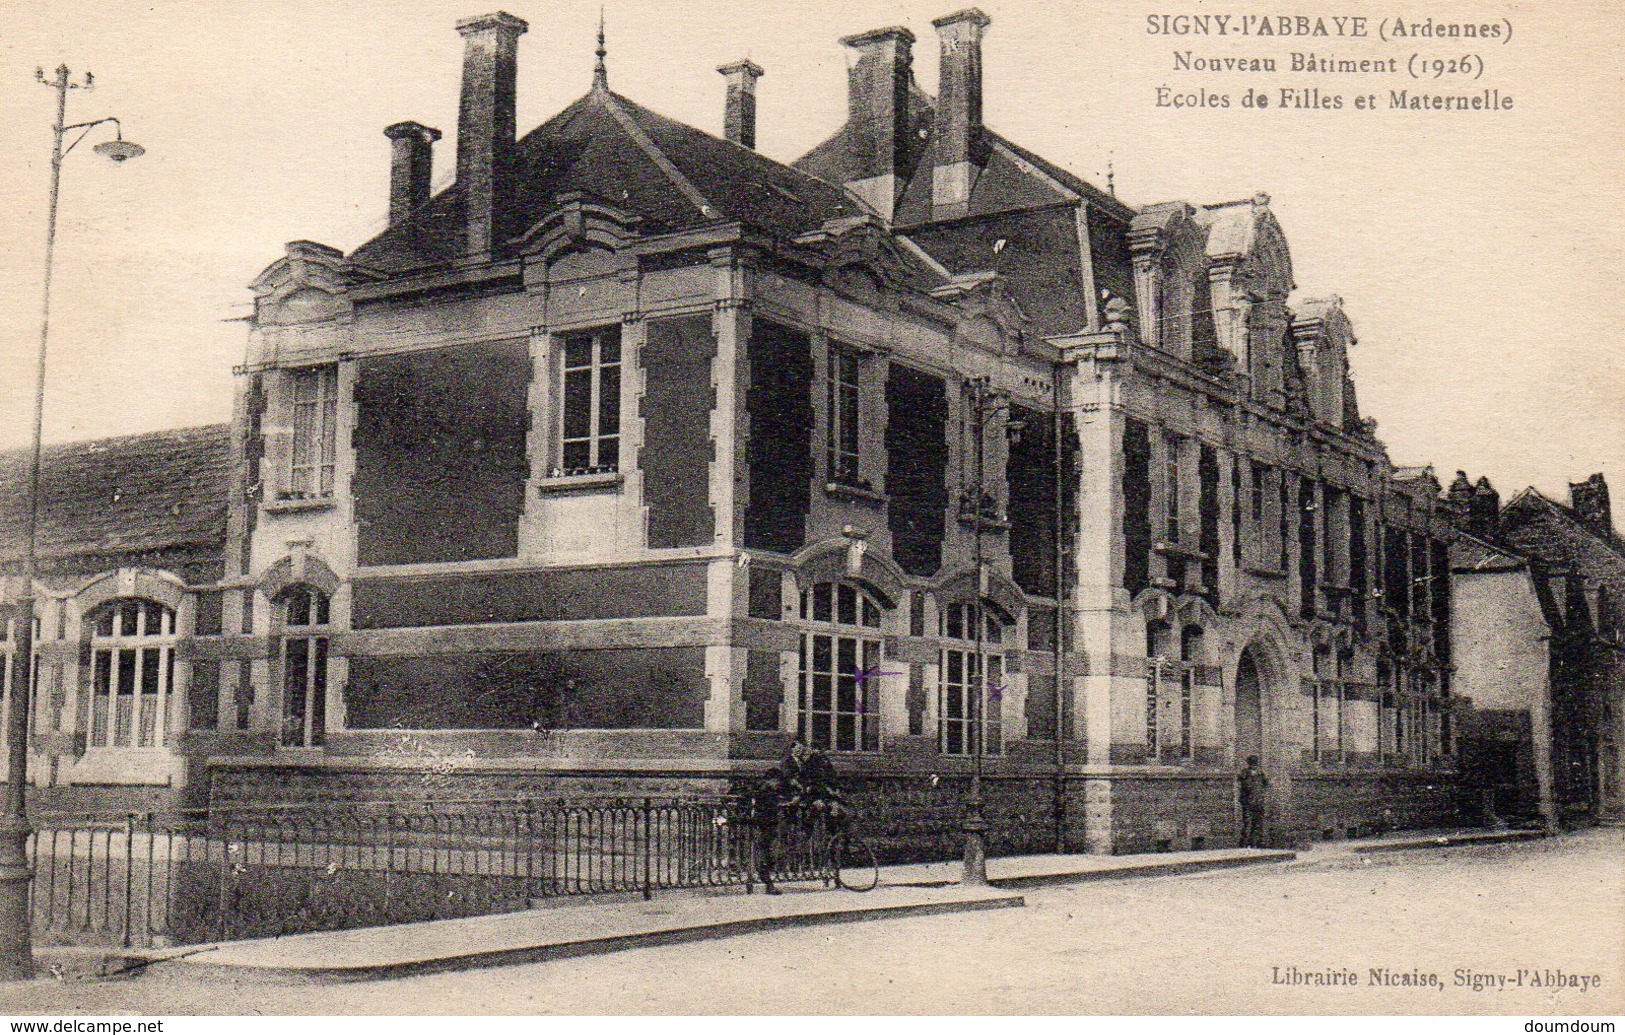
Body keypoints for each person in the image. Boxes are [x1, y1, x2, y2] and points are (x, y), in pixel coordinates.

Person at [1238, 755, 1269, 848]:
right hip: (1247, 802)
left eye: (1255, 763)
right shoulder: (1244, 774)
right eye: (1252, 763)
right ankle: (1244, 844)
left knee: (1258, 824)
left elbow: (1265, 785)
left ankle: (1257, 844)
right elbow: (1242, 786)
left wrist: (1261, 797)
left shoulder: (1261, 774)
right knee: (1247, 824)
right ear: (1248, 764)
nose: (1253, 765)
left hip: (1258, 802)